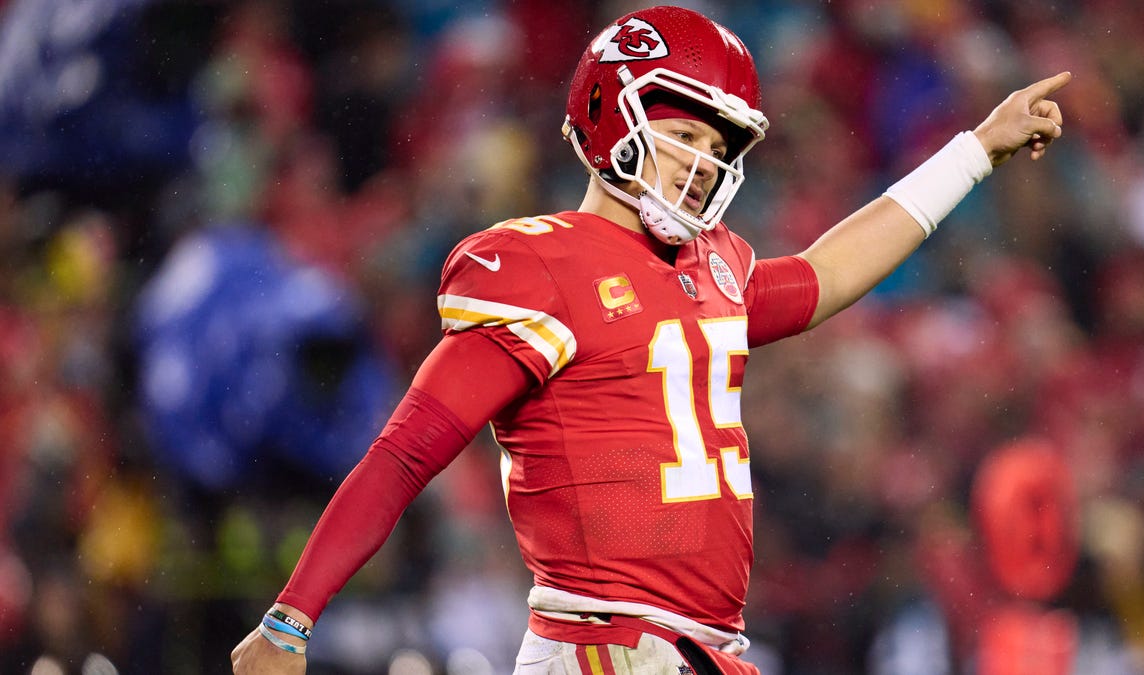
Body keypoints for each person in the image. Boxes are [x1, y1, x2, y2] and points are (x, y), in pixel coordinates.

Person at [231, 5, 1070, 674]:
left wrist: (975, 150)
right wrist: (292, 613)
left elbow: (828, 274)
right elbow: (407, 453)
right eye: (686, 134)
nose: (703, 164)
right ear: (608, 111)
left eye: (718, 146)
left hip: (701, 648)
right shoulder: (537, 267)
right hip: (604, 644)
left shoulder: (714, 266)